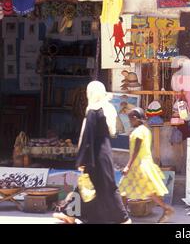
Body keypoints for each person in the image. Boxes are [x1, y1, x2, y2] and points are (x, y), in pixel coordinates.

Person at [53, 81, 131, 224]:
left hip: (94, 156)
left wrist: (81, 159)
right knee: (90, 186)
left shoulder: (93, 111)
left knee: (103, 187)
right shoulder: (108, 108)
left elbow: (87, 138)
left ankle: (123, 219)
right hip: (105, 153)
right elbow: (113, 131)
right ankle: (71, 214)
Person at [119, 107, 175, 223]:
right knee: (129, 190)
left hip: (139, 166)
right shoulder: (146, 130)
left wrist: (128, 166)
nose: (130, 122)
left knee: (124, 189)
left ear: (135, 118)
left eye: (130, 119)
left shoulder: (139, 131)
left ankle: (122, 216)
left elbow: (136, 150)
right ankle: (122, 215)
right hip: (142, 164)